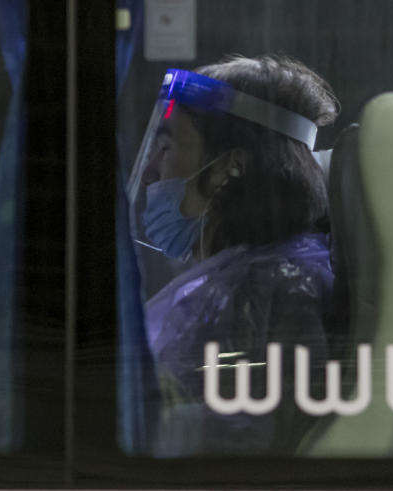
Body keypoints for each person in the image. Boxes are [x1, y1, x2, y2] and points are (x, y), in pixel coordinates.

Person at [127, 55, 339, 455]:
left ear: (231, 167)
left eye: (167, 146)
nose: (152, 169)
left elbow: (243, 444)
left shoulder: (270, 287)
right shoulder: (258, 272)